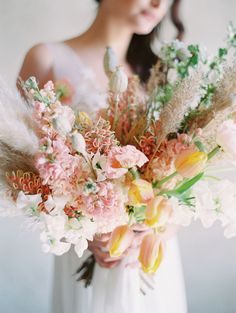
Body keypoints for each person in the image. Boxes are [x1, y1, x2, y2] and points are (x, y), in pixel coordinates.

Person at [18, 1, 187, 312]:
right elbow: (22, 174)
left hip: (150, 256)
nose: (158, 4)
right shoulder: (48, 59)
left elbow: (181, 183)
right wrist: (81, 225)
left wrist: (157, 227)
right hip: (86, 250)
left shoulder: (159, 76)